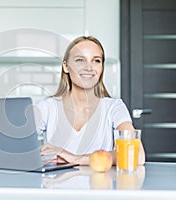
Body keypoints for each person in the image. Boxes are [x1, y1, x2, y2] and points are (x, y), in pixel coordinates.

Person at [36, 36, 145, 165]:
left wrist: (75, 158)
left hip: (99, 184)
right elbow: (15, 147)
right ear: (66, 66)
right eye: (80, 60)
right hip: (55, 184)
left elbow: (136, 155)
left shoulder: (114, 107)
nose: (89, 67)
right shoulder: (47, 107)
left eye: (96, 61)